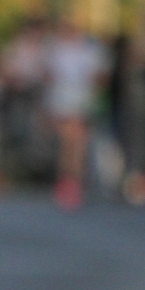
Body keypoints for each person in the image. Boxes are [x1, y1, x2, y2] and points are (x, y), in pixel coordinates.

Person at [45, 18, 108, 209]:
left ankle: (75, 183)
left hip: (81, 102)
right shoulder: (56, 50)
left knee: (78, 144)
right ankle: (66, 181)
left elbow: (100, 77)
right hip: (62, 102)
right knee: (67, 144)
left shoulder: (89, 51)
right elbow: (48, 75)